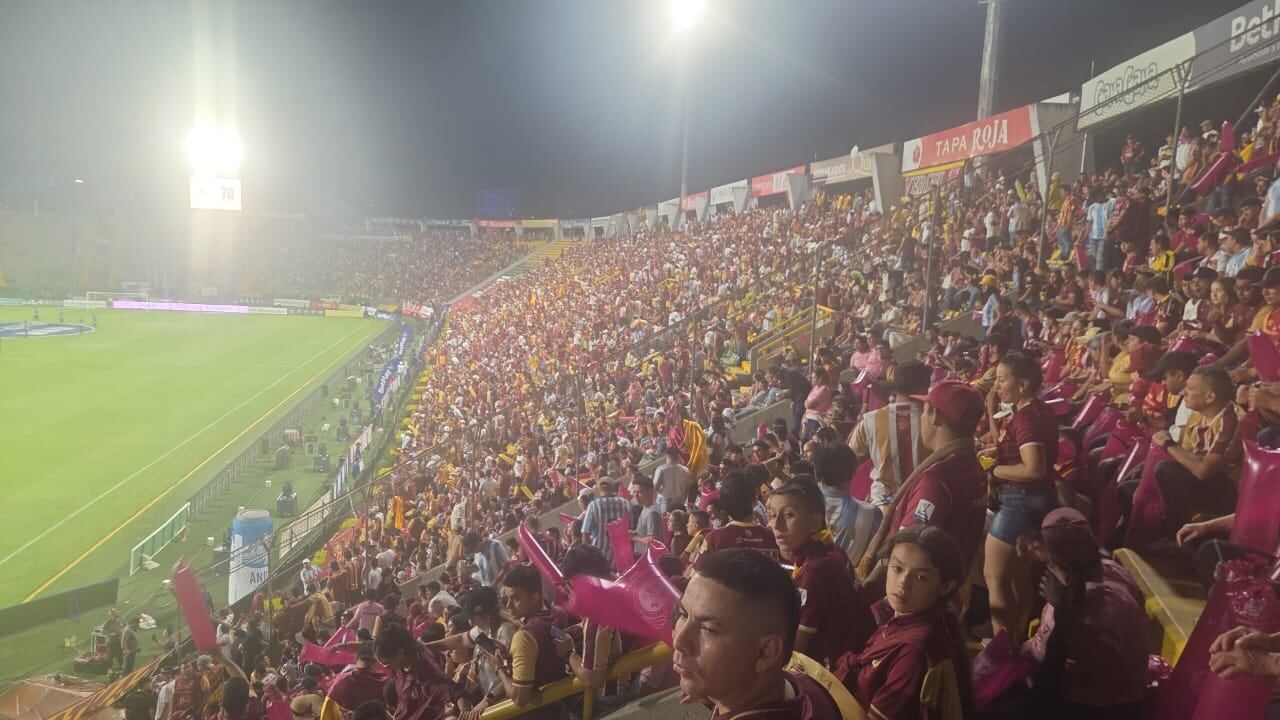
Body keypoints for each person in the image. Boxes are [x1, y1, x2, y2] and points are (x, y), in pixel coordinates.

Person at [983, 509, 1147, 719]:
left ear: (1063, 567)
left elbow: (1086, 658)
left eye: (1050, 563)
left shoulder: (1093, 605)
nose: (1046, 568)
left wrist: (1061, 610)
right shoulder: (1110, 569)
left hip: (1093, 707)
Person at [672, 548, 844, 719]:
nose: (679, 642)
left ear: (765, 652)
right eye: (684, 615)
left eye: (708, 630)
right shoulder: (805, 685)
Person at [835, 526, 973, 720]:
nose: (902, 583)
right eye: (897, 569)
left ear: (945, 586)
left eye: (920, 577)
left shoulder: (914, 651)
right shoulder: (906, 619)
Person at [863, 382, 987, 581]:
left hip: (920, 594)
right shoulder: (972, 465)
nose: (921, 417)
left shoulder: (936, 480)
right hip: (951, 584)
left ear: (935, 416)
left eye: (924, 410)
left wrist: (867, 591)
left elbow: (905, 554)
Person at [984, 353, 1058, 641]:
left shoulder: (1028, 419)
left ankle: (1001, 649)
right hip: (1032, 500)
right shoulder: (1033, 411)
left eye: (1002, 380)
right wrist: (991, 414)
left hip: (1019, 501)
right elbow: (1007, 445)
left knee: (995, 577)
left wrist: (995, 470)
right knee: (1017, 575)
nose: (998, 386)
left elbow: (1034, 468)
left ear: (1023, 383)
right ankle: (1015, 637)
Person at [766, 479, 873, 666]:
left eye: (788, 515)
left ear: (815, 522)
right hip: (859, 654)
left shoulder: (814, 570)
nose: (776, 525)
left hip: (836, 673)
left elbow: (796, 648)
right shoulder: (832, 550)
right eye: (773, 515)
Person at [1150, 367, 1241, 541]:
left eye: (1190, 388)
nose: (1184, 392)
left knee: (1166, 470)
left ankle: (1177, 538)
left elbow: (1203, 471)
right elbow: (1186, 455)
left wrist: (1168, 443)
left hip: (1230, 491)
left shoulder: (1232, 420)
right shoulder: (1196, 416)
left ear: (1210, 397)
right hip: (1206, 481)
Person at [848, 360, 932, 509]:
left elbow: (851, 459)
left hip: (883, 503)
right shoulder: (936, 418)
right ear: (922, 388)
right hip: (925, 501)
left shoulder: (869, 420)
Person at [494, 565, 569, 718]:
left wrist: (498, 669)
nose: (508, 606)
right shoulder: (558, 613)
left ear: (534, 597)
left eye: (515, 599)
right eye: (506, 599)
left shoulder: (523, 637)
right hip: (561, 704)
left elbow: (520, 698)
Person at [374, 623, 461, 720]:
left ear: (400, 653)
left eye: (387, 663)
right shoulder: (401, 666)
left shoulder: (426, 671)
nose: (387, 667)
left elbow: (452, 691)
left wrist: (465, 709)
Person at [699, 470, 779, 564]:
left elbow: (696, 575)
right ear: (754, 500)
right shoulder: (774, 538)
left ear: (723, 503)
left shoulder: (714, 539)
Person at [326, 646, 389, 714]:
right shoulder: (385, 680)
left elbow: (329, 706)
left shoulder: (341, 680)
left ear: (356, 658)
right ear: (375, 661)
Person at [579, 478, 630, 558]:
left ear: (598, 489)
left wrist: (587, 556)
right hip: (622, 555)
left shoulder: (593, 505)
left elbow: (585, 533)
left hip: (600, 555)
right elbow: (630, 528)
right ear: (613, 487)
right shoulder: (625, 503)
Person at [653, 446, 694, 512]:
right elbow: (688, 488)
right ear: (678, 456)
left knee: (665, 520)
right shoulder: (686, 470)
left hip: (664, 501)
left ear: (666, 455)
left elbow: (655, 487)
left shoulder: (661, 469)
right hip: (680, 501)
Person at [629, 475, 664, 552]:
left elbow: (653, 541)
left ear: (650, 492)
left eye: (639, 492)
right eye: (634, 491)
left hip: (647, 557)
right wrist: (635, 533)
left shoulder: (652, 513)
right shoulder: (645, 506)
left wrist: (634, 537)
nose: (635, 495)